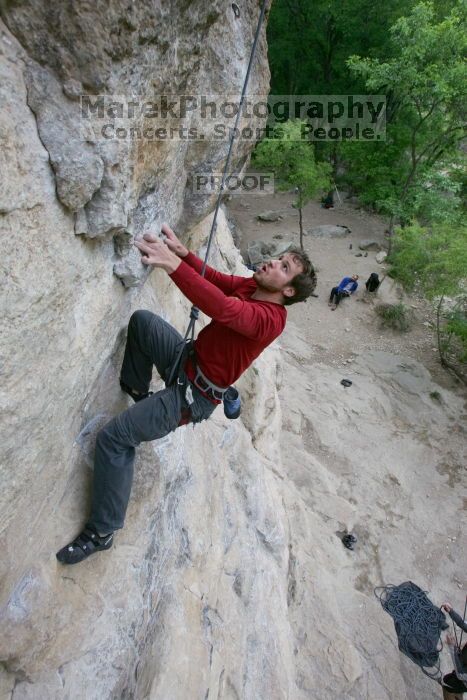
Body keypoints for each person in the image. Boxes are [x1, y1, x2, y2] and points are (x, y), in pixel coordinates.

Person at [56, 225, 317, 564]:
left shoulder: (271, 319)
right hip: (186, 360)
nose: (272, 262)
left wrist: (171, 265)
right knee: (143, 322)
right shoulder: (254, 286)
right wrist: (183, 254)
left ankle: (102, 531)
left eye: (284, 267)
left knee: (114, 438)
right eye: (279, 258)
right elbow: (219, 281)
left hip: (193, 396)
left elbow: (224, 308)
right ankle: (138, 392)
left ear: (289, 290)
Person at [440, 602, 467, 699]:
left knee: (448, 685)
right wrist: (451, 611)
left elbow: (461, 674)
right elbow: (462, 623)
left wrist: (452, 647)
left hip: (462, 681)